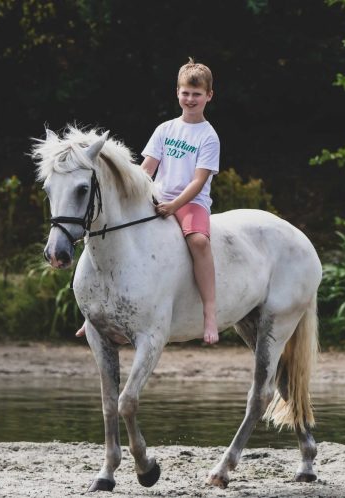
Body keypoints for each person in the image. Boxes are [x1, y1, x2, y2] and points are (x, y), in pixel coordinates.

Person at [77, 57, 221, 344]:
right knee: (109, 230)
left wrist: (175, 206)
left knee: (199, 242)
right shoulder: (165, 129)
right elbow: (147, 169)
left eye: (196, 94)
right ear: (177, 93)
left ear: (208, 96)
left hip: (190, 202)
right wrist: (132, 195)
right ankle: (92, 311)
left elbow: (198, 180)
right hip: (157, 196)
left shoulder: (209, 136)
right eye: (185, 93)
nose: (190, 99)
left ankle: (209, 312)